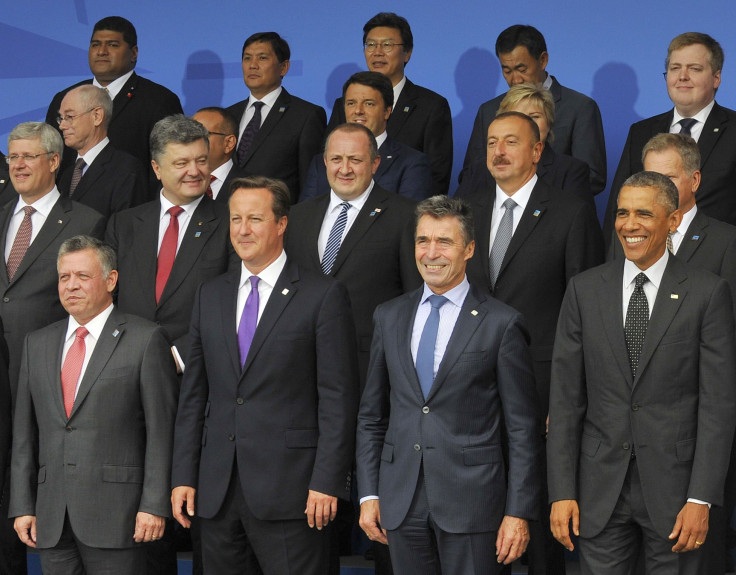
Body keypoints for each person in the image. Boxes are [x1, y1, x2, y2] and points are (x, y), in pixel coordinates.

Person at [548, 171, 736, 574]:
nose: (629, 224)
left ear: (672, 221)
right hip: (599, 494)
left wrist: (701, 498)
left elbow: (718, 407)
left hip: (676, 496)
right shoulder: (584, 290)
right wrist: (561, 491)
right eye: (622, 213)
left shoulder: (707, 293)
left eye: (644, 214)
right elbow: (565, 401)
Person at [171, 176, 360, 575]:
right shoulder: (211, 294)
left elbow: (338, 399)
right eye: (235, 218)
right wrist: (184, 476)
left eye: (255, 219)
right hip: (217, 493)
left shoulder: (322, 295)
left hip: (294, 494)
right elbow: (194, 396)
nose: (242, 230)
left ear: (281, 223)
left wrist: (327, 480)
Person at [356, 195, 543, 575]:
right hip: (400, 501)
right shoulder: (389, 317)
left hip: (473, 505)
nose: (431, 252)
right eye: (423, 240)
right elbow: (372, 416)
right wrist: (369, 493)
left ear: (470, 249)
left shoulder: (501, 323)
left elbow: (522, 429)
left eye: (444, 241)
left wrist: (518, 512)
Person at [463, 111, 602, 574]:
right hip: (473, 385)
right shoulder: (465, 208)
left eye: (511, 142)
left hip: (542, 384)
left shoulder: (569, 210)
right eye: (490, 143)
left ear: (538, 151)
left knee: (539, 518)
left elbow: (582, 310)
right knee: (482, 520)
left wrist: (568, 394)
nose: (498, 152)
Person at [9, 235, 179, 574]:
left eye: (82, 276)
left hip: (121, 518)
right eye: (64, 277)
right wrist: (23, 505)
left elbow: (163, 432)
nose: (71, 285)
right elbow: (25, 434)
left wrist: (154, 504)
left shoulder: (145, 339)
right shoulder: (37, 343)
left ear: (111, 280)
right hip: (52, 517)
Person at [106, 114, 236, 374]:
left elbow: (235, 303)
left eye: (201, 160)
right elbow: (107, 298)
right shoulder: (124, 224)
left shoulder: (231, 223)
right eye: (182, 163)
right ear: (156, 168)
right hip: (126, 368)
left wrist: (178, 356)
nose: (195, 171)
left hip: (198, 373)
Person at [604, 32, 736, 248]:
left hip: (716, 263)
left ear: (716, 78)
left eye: (694, 68)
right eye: (675, 68)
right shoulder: (641, 132)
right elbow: (617, 206)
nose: (682, 76)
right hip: (645, 261)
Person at [46, 16, 183, 196]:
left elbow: (170, 166)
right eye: (95, 44)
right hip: (67, 214)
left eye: (112, 45)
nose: (101, 51)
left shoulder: (159, 101)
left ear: (134, 53)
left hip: (130, 212)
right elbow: (49, 161)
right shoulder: (64, 99)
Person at [463, 25, 606, 195]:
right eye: (507, 71)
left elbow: (592, 178)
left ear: (543, 60)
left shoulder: (580, 107)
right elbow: (470, 175)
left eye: (522, 69)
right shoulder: (488, 110)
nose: (515, 79)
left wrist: (526, 197)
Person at [328, 13, 453, 196]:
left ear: (407, 53)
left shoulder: (431, 106)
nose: (377, 51)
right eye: (371, 44)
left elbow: (437, 178)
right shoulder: (343, 104)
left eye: (387, 45)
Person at [301, 71, 432, 202]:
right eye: (351, 103)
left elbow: (408, 218)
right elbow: (306, 216)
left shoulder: (411, 163)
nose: (358, 111)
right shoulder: (320, 163)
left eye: (369, 104)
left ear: (387, 111)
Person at [227, 32, 326, 203]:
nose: (253, 65)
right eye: (247, 58)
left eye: (262, 58)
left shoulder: (306, 115)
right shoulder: (228, 115)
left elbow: (311, 183)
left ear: (283, 67)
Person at [457, 82, 591, 204]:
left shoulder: (571, 171)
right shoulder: (479, 170)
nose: (528, 123)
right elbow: (456, 218)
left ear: (549, 123)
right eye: (518, 116)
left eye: (535, 116)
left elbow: (578, 226)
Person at [56, 85, 147, 219]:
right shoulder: (67, 175)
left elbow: (126, 232)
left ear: (97, 116)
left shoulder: (127, 171)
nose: (62, 126)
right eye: (61, 118)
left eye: (69, 116)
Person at [191, 107, 240, 203]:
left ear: (229, 143)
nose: (191, 140)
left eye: (202, 133)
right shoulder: (174, 184)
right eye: (190, 134)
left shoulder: (252, 187)